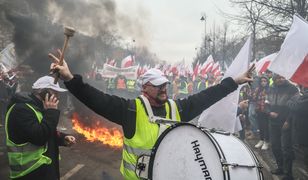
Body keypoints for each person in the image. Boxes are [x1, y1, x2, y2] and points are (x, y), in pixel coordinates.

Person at [49, 50, 254, 180]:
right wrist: (69, 78)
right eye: (158, 86)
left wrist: (234, 82)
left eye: (165, 84)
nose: (164, 88)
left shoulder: (176, 108)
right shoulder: (130, 109)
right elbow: (96, 98)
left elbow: (206, 97)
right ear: (145, 88)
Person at [5, 75, 76, 179]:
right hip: (30, 172)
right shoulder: (21, 110)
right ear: (42, 92)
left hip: (44, 169)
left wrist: (62, 138)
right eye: (54, 92)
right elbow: (39, 137)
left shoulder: (38, 107)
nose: (57, 96)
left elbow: (46, 129)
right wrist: (51, 112)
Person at [267, 74, 299, 180]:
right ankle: (280, 167)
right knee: (275, 146)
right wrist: (269, 112)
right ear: (274, 79)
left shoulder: (292, 89)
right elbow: (266, 103)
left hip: (285, 123)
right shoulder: (271, 89)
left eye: (282, 77)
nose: (280, 79)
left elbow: (295, 106)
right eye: (278, 78)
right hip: (273, 123)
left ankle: (288, 174)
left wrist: (288, 120)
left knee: (286, 148)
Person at [254, 76, 270, 150]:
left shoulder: (270, 89)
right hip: (259, 110)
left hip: (266, 111)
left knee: (266, 127)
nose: (263, 82)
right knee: (260, 126)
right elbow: (255, 99)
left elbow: (270, 100)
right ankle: (261, 140)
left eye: (265, 81)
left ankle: (266, 142)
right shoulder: (259, 89)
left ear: (267, 82)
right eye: (262, 81)